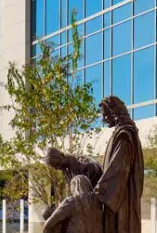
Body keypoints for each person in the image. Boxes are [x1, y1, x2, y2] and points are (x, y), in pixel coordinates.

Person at [45, 96, 145, 233]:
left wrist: (98, 193)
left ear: (114, 112)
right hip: (114, 198)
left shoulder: (125, 135)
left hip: (120, 198)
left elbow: (118, 169)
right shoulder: (120, 134)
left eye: (105, 115)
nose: (103, 119)